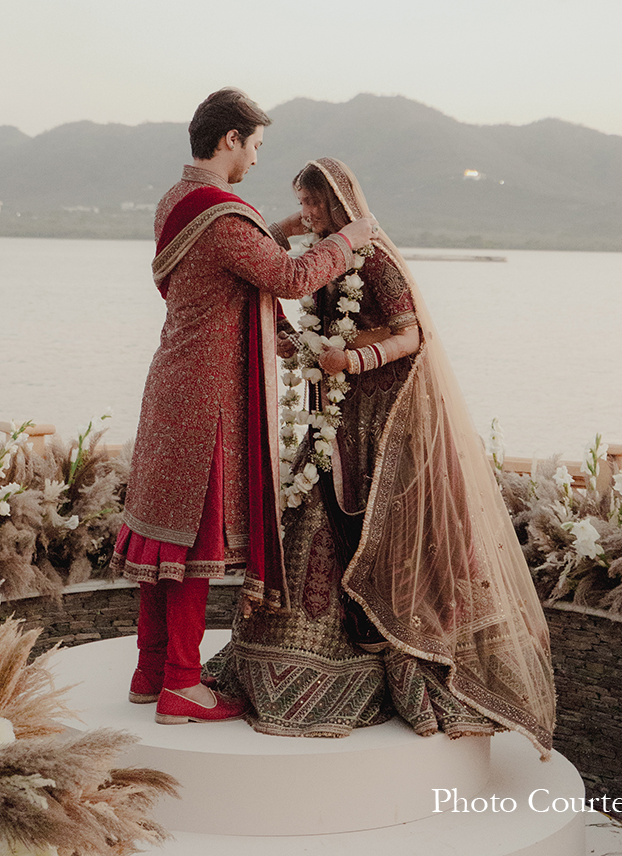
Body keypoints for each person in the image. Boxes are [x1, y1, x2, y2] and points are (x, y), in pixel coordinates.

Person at [204, 157, 556, 752]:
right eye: (305, 203)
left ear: (339, 203)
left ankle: (408, 669)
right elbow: (282, 270)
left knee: (387, 538)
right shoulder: (327, 255)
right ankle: (289, 671)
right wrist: (304, 330)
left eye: (317, 203)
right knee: (312, 526)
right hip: (336, 415)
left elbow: (412, 333)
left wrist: (355, 360)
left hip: (387, 420)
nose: (310, 214)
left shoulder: (372, 257)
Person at [110, 93, 376, 726]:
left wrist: (282, 228)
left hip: (172, 381)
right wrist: (345, 241)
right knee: (192, 538)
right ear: (229, 139)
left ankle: (149, 672)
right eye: (255, 146)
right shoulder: (223, 215)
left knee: (161, 534)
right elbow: (285, 279)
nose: (256, 159)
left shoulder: (176, 202)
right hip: (207, 395)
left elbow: (234, 258)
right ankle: (181, 685)